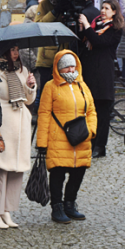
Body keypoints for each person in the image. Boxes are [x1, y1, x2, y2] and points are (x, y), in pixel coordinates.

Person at [36, 51, 98, 224]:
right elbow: (44, 114)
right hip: (58, 138)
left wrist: (91, 130)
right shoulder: (50, 86)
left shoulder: (82, 86)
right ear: (58, 68)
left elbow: (92, 110)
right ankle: (57, 206)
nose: (71, 69)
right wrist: (42, 142)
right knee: (58, 173)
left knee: (79, 171)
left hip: (81, 138)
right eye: (66, 66)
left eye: (73, 65)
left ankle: (70, 204)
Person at [0, 46, 37, 229]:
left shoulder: (22, 69)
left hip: (21, 124)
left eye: (17, 49)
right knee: (0, 168)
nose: (16, 53)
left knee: (16, 169)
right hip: (5, 122)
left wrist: (30, 86)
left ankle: (7, 209)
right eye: (12, 50)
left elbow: (29, 100)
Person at [78, 0, 124, 158]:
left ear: (114, 12)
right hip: (89, 72)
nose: (103, 10)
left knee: (102, 112)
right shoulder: (95, 25)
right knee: (88, 109)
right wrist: (83, 29)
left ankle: (100, 145)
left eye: (107, 8)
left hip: (103, 74)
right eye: (102, 8)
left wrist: (86, 26)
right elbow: (84, 42)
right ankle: (89, 141)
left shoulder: (114, 29)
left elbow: (98, 42)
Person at [35, 0, 72, 106]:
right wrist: (55, 11)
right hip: (48, 57)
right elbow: (39, 25)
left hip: (66, 54)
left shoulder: (69, 1)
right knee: (48, 94)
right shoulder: (45, 3)